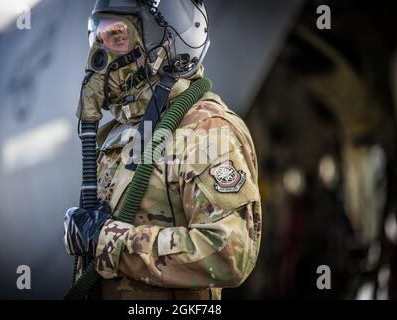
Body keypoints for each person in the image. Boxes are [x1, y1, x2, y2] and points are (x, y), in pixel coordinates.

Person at [63, 0, 262, 300]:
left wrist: (111, 243)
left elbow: (231, 253)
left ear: (162, 44)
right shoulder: (121, 132)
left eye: (118, 37)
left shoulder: (204, 131)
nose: (99, 57)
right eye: (97, 39)